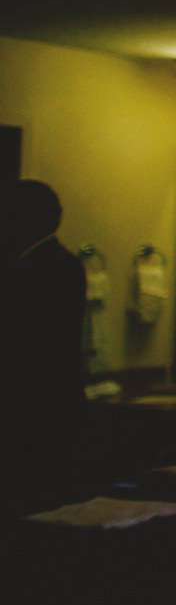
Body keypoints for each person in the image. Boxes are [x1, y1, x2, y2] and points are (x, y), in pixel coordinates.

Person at [0, 179, 87, 517]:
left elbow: (32, 341)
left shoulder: (51, 267)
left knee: (34, 498)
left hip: (38, 401)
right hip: (44, 400)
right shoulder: (48, 263)